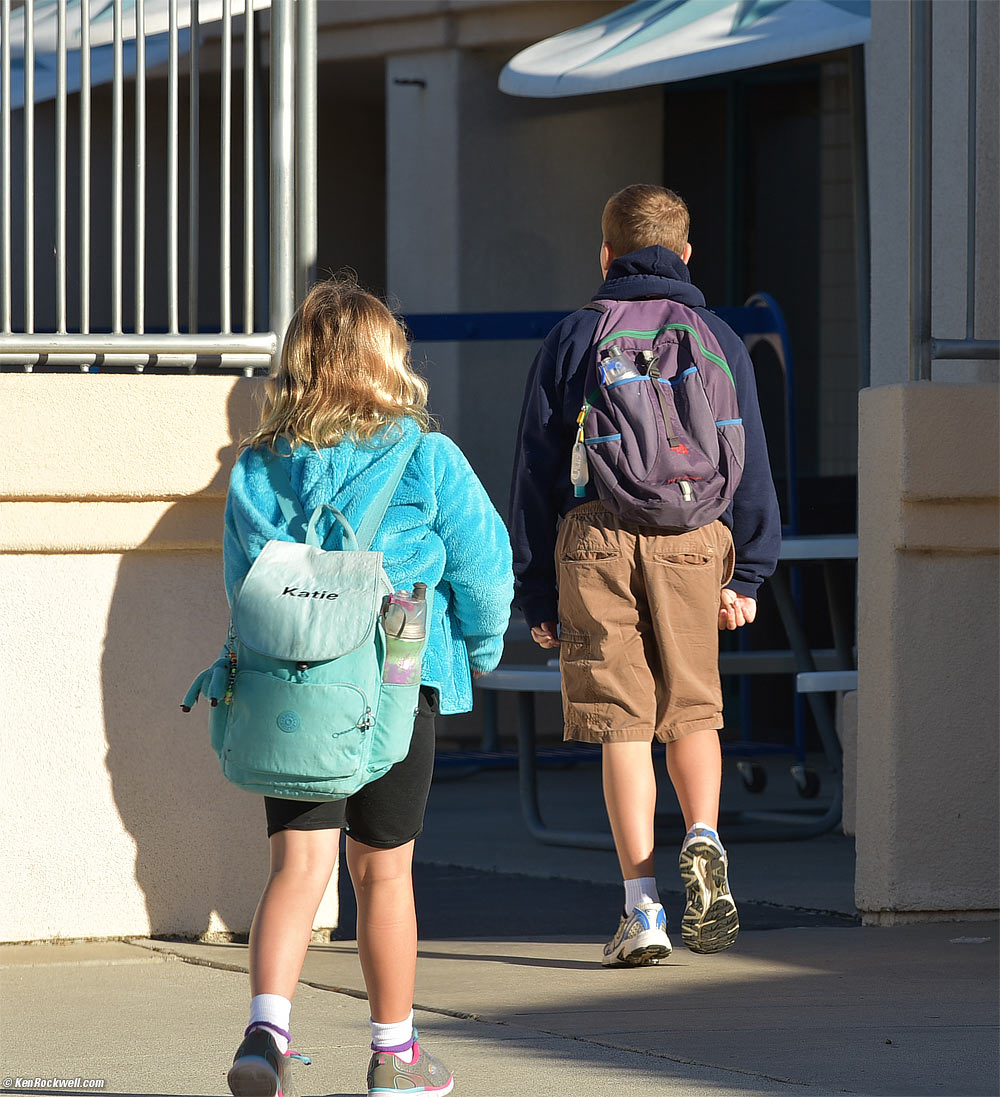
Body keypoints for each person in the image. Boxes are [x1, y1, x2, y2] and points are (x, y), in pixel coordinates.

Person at [216, 276, 512, 1096]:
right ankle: (395, 1053)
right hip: (395, 683)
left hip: (294, 695)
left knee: (295, 870)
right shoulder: (427, 455)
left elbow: (246, 587)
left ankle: (266, 1034)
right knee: (385, 871)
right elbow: (487, 570)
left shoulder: (258, 466)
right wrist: (480, 649)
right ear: (388, 360)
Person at [509, 184, 780, 966]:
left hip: (597, 537)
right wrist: (751, 573)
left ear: (605, 255)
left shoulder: (574, 336)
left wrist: (537, 590)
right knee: (694, 709)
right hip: (697, 538)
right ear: (687, 253)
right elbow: (752, 459)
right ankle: (703, 834)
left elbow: (533, 471)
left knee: (622, 723)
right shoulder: (719, 336)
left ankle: (643, 908)